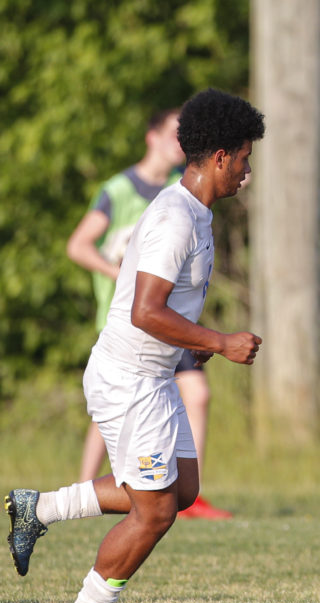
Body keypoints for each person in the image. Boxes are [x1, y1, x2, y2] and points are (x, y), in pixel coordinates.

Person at [5, 88, 265, 603]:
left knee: (184, 489)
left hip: (155, 376)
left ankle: (39, 508)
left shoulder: (197, 212)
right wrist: (219, 342)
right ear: (219, 157)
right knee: (157, 511)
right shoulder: (175, 219)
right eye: (244, 157)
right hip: (129, 382)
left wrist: (190, 343)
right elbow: (146, 311)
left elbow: (160, 307)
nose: (247, 170)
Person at [66, 109, 230, 520]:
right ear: (151, 137)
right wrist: (120, 271)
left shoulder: (184, 195)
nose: (181, 142)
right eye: (173, 134)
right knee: (119, 425)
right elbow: (79, 245)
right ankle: (77, 494)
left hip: (171, 332)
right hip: (135, 325)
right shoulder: (122, 190)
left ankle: (182, 489)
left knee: (194, 397)